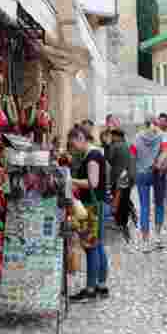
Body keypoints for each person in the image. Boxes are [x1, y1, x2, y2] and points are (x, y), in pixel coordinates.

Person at [68, 125, 109, 301]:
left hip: (91, 207)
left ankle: (90, 290)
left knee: (91, 248)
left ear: (80, 138)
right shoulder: (94, 154)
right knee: (97, 246)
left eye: (73, 144)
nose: (73, 148)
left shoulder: (92, 156)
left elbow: (92, 182)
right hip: (95, 205)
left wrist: (72, 181)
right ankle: (101, 286)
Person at [134, 117, 167, 246]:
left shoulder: (137, 137)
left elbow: (132, 154)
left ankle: (145, 241)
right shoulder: (161, 136)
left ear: (144, 124)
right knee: (159, 204)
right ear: (155, 124)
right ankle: (158, 236)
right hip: (157, 173)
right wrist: (158, 163)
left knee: (144, 207)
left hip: (141, 174)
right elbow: (166, 152)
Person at [107, 128, 136, 243]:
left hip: (118, 177)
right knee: (125, 199)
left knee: (118, 199)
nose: (112, 138)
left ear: (116, 136)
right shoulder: (129, 145)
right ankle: (124, 222)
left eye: (112, 136)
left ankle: (119, 222)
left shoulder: (115, 146)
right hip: (128, 176)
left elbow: (109, 159)